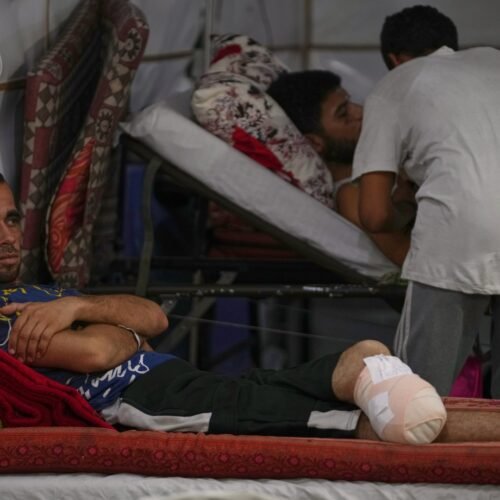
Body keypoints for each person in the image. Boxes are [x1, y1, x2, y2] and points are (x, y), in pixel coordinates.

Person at [0, 175, 498, 444]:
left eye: (12, 219)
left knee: (355, 379)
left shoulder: (42, 293)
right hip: (154, 404)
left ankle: (364, 366)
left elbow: (154, 316)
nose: (7, 237)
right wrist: (119, 331)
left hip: (184, 382)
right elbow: (96, 351)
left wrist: (80, 304)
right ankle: (372, 377)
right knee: (385, 423)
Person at [352, 5, 500, 397]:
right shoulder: (493, 59)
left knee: (416, 396)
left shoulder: (395, 84)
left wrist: (405, 203)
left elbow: (373, 214)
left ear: (395, 59)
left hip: (457, 238)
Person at [267, 70, 414, 267]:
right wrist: (409, 201)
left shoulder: (379, 170)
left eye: (350, 102)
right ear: (315, 143)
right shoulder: (352, 194)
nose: (360, 112)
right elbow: (413, 261)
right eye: (344, 114)